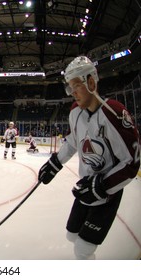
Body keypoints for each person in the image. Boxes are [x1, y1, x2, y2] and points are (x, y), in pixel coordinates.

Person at [38, 56, 140, 260]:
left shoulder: (114, 113)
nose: (72, 92)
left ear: (91, 82)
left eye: (76, 86)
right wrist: (54, 163)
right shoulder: (75, 112)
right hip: (85, 187)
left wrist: (102, 185)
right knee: (72, 235)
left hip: (108, 192)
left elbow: (132, 162)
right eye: (70, 88)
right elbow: (73, 142)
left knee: (83, 249)